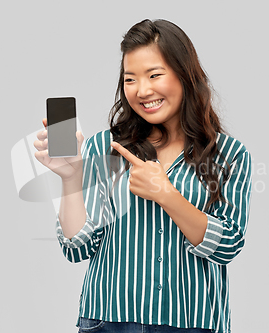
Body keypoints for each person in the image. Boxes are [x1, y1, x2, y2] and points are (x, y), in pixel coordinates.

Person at [34, 19, 252, 333]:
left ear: (184, 76)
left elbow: (228, 244)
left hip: (191, 323)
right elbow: (77, 247)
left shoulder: (228, 154)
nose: (142, 90)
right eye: (130, 79)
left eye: (154, 75)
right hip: (108, 321)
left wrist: (166, 194)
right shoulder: (105, 147)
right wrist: (70, 179)